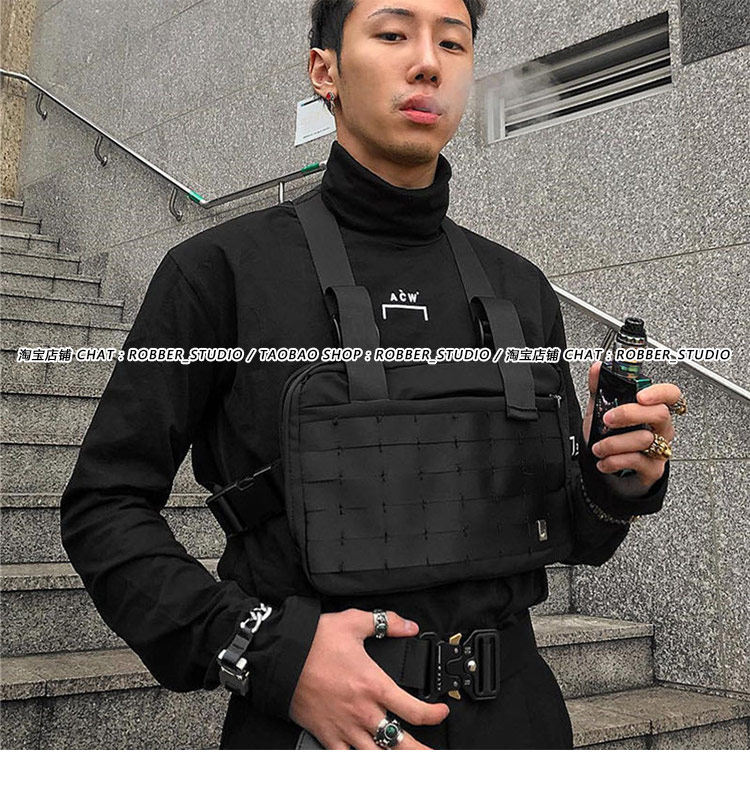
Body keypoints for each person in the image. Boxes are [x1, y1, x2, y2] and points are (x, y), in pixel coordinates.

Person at [60, 0, 685, 750]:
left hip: (519, 721)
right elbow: (104, 506)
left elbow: (568, 532)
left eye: (452, 43)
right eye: (392, 34)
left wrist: (616, 479)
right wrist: (265, 652)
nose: (427, 63)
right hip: (315, 732)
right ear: (324, 71)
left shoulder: (519, 288)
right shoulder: (218, 273)